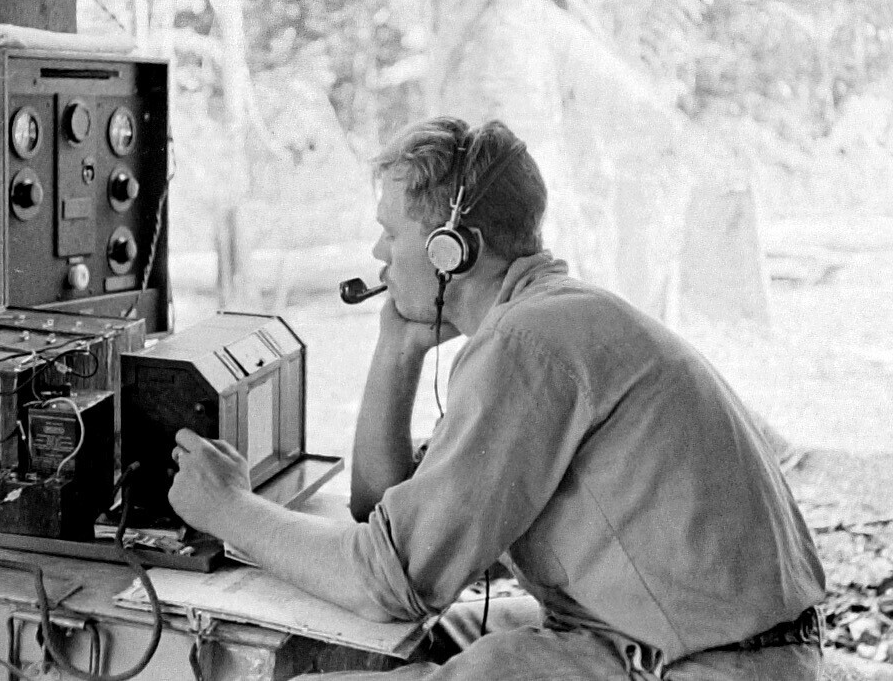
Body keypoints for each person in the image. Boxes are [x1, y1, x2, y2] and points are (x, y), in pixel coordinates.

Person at [168, 117, 826, 680]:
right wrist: (397, 351)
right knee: (398, 641)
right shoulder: (548, 317)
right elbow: (384, 515)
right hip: (703, 642)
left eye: (391, 232)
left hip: (708, 665)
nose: (377, 251)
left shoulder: (527, 342)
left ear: (451, 250)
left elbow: (388, 580)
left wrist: (227, 508)